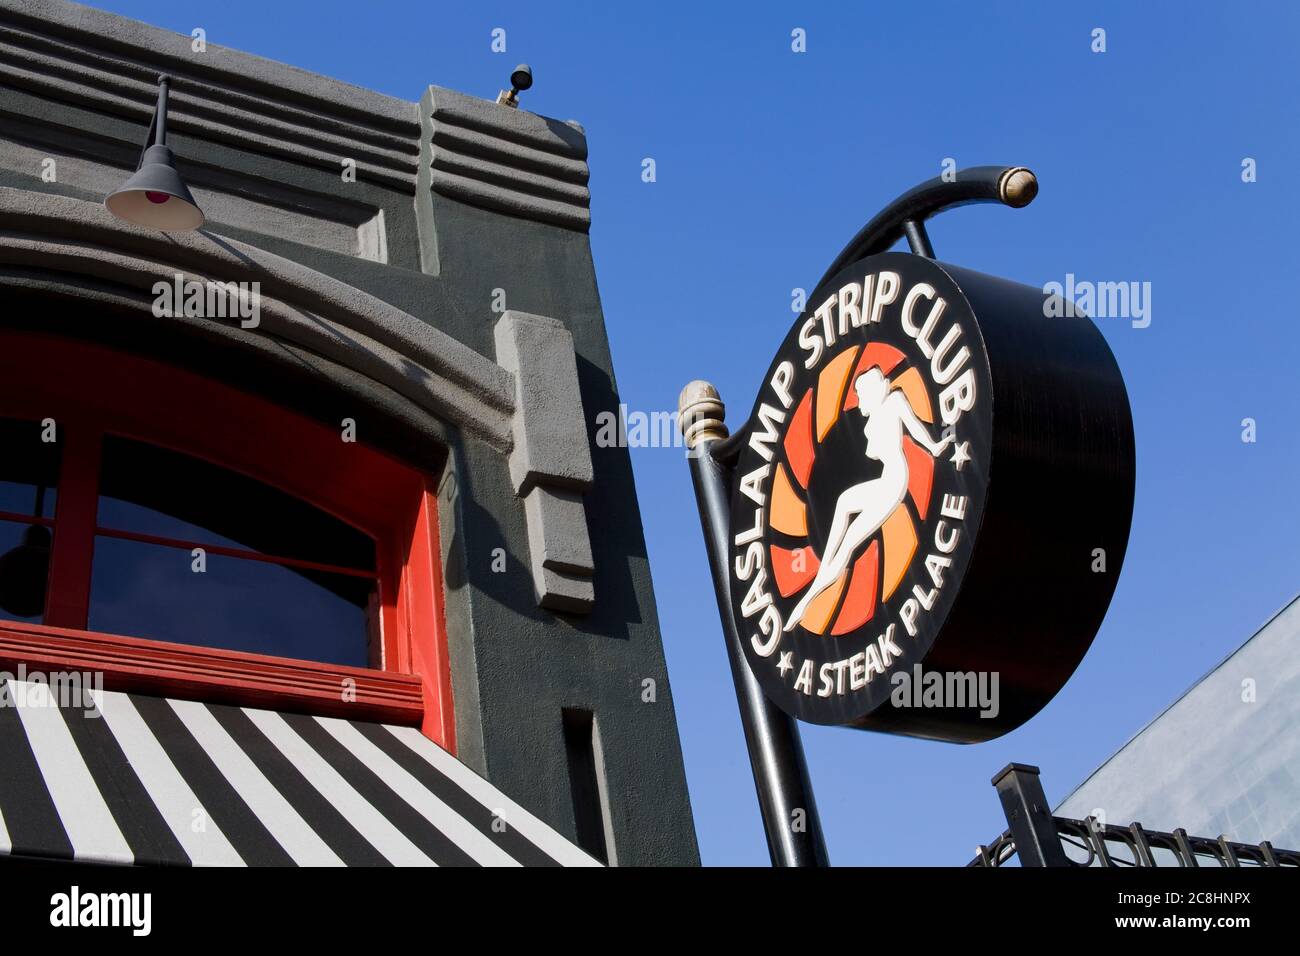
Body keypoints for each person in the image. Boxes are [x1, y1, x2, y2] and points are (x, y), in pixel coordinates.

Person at [784, 368, 953, 632]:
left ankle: (810, 595)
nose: (860, 398)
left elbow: (915, 429)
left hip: (895, 479)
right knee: (844, 502)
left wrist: (934, 447)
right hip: (885, 478)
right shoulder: (873, 417)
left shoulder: (894, 402)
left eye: (862, 392)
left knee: (850, 541)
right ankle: (823, 570)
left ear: (877, 389)